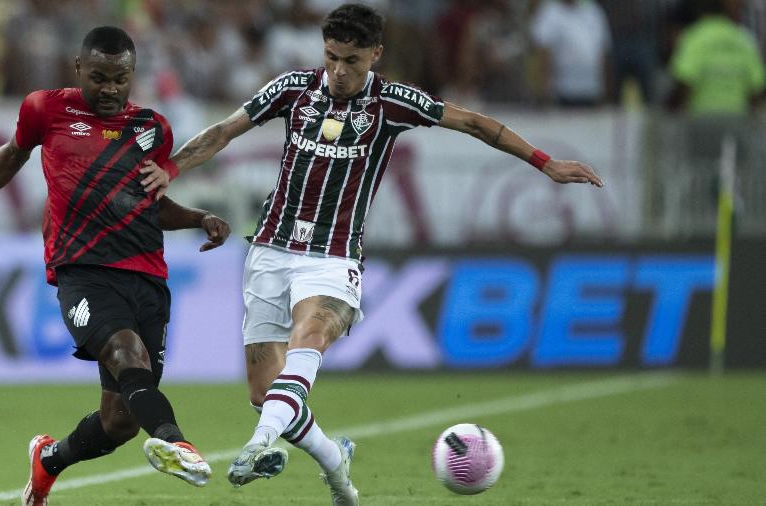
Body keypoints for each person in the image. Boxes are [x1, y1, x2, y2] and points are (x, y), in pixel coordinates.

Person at [165, 4, 603, 505]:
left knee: (310, 336)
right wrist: (169, 172)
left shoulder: (393, 102)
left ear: (375, 54)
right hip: (269, 249)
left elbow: (476, 124)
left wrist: (544, 163)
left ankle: (257, 445)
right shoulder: (292, 88)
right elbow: (223, 131)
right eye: (331, 57)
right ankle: (337, 468)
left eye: (352, 60)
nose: (339, 71)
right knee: (265, 396)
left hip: (333, 258)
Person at [0, 26, 229, 505]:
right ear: (78, 68)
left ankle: (48, 461)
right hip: (81, 269)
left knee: (120, 421)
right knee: (129, 355)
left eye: (119, 79)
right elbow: (12, 154)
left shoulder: (152, 129)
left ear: (132, 74)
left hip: (147, 275)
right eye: (99, 77)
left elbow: (150, 203)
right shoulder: (46, 108)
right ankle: (176, 442)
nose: (109, 89)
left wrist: (199, 218)